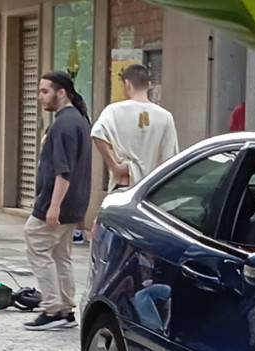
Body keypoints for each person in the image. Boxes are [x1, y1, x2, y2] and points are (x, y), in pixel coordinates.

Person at [24, 71, 92, 331]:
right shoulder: (79, 120)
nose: (40, 96)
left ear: (61, 92)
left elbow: (63, 170)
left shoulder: (65, 123)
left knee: (36, 242)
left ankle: (53, 307)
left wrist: (53, 206)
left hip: (58, 201)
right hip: (73, 202)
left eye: (45, 91)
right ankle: (65, 307)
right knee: (61, 254)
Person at [91, 64, 178, 193]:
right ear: (148, 85)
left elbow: (97, 133)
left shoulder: (114, 111)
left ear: (127, 84)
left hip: (124, 182)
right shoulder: (165, 116)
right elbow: (170, 157)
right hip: (150, 188)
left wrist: (113, 165)